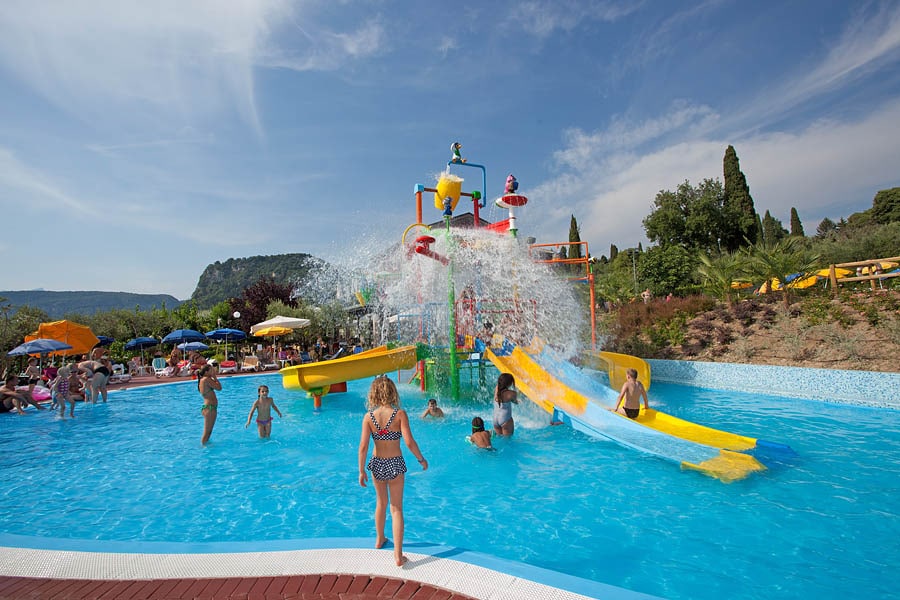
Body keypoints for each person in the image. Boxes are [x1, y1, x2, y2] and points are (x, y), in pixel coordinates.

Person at [358, 376, 428, 567]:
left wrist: (361, 471)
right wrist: (421, 459)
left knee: (381, 503)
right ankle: (397, 554)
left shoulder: (369, 417)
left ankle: (379, 538)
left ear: (374, 394)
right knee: (396, 508)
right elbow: (409, 442)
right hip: (395, 463)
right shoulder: (399, 415)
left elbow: (363, 446)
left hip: (377, 463)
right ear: (393, 392)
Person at [197, 362, 221, 445]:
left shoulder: (203, 380)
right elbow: (219, 388)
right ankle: (203, 447)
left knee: (208, 432)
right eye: (211, 370)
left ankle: (206, 445)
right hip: (210, 408)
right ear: (206, 372)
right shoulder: (206, 379)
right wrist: (215, 377)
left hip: (208, 408)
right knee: (207, 432)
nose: (213, 371)